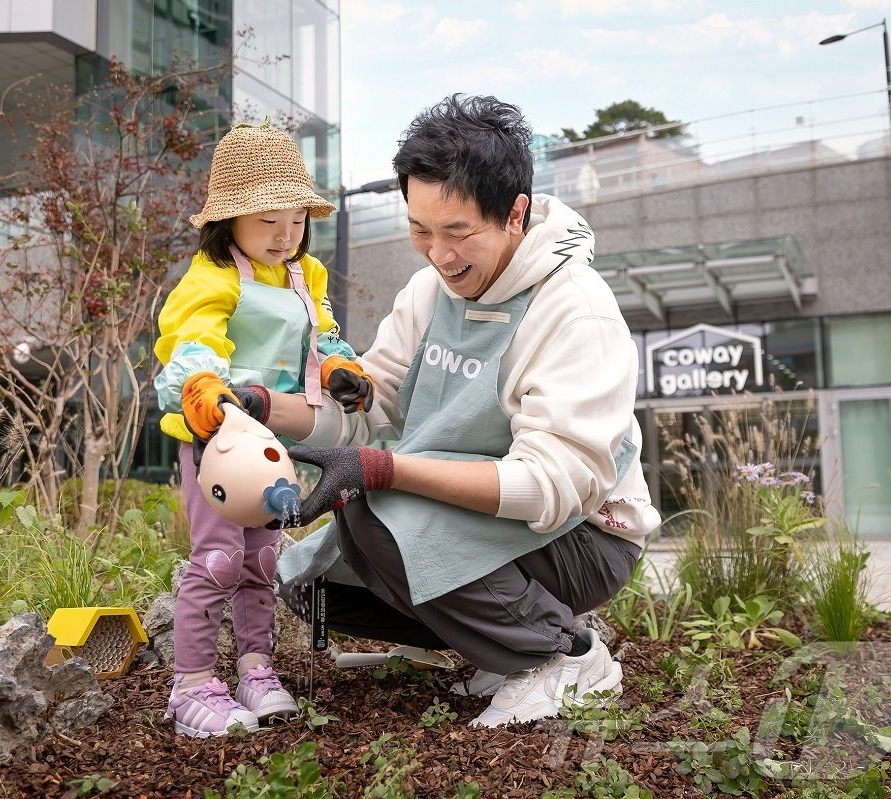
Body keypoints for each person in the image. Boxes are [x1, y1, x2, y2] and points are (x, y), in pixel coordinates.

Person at [242, 95, 662, 729]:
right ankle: (499, 647)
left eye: (458, 231)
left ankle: (562, 655)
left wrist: (386, 472)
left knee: (375, 510)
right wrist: (260, 406)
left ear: (515, 213)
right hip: (473, 523)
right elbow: (369, 405)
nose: (438, 254)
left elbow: (554, 487)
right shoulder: (429, 292)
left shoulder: (575, 312)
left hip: (584, 540)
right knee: (315, 585)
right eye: (420, 230)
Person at [153, 121, 375, 738]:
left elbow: (321, 335)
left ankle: (256, 668)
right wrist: (204, 390)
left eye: (296, 220)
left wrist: (339, 370)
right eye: (267, 222)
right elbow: (192, 345)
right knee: (220, 557)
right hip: (217, 436)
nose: (285, 236)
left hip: (271, 435)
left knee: (262, 558)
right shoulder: (210, 279)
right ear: (230, 223)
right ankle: (192, 685)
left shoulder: (307, 276)